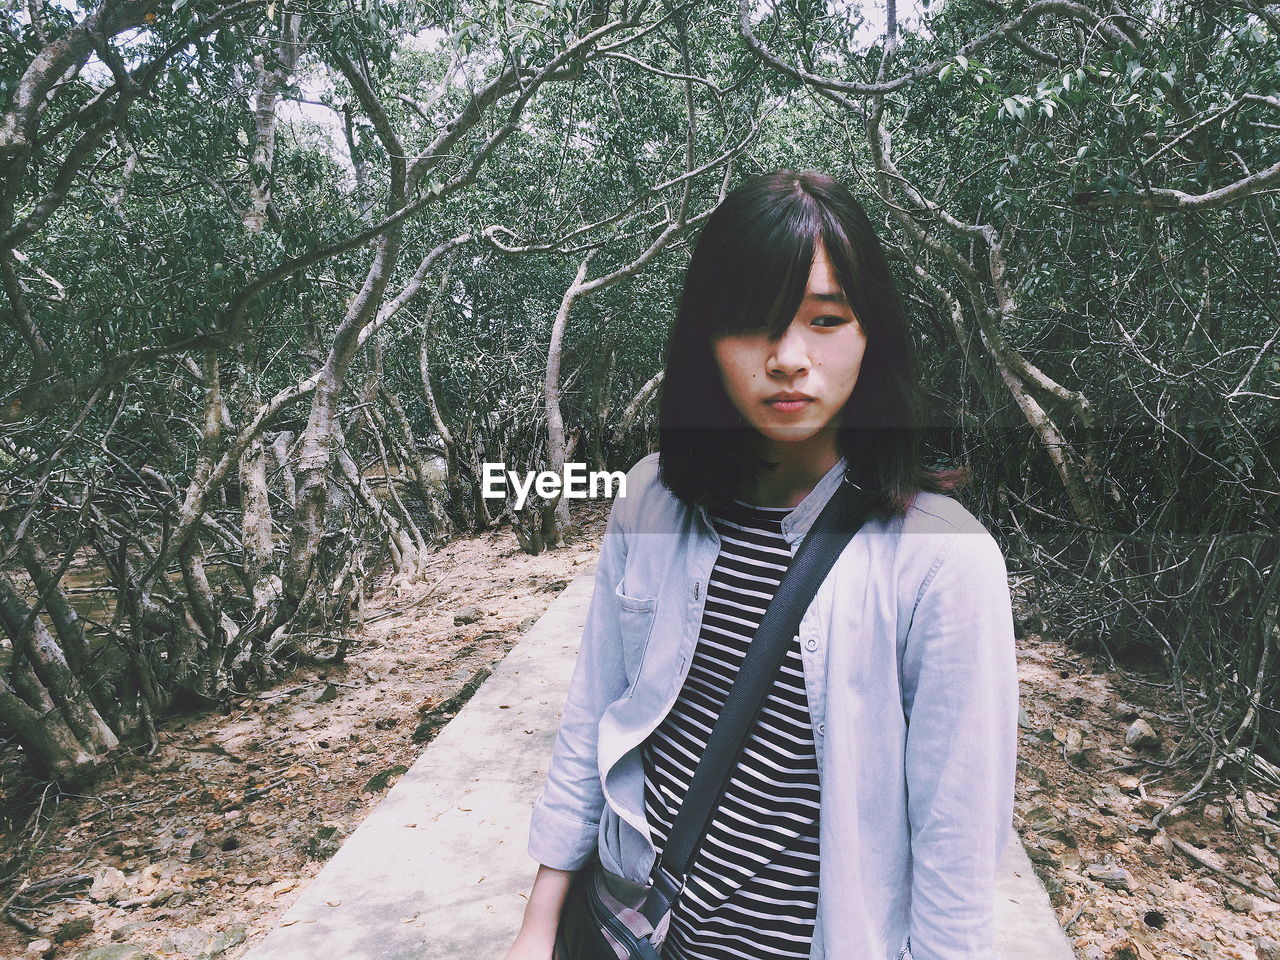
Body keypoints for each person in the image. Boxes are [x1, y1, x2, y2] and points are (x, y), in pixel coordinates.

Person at [503, 170, 1019, 960]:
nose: (787, 358)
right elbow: (593, 716)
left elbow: (955, 860)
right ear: (704, 341)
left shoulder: (940, 565)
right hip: (632, 930)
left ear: (869, 334)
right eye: (753, 323)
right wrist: (538, 929)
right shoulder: (651, 499)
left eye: (825, 319)